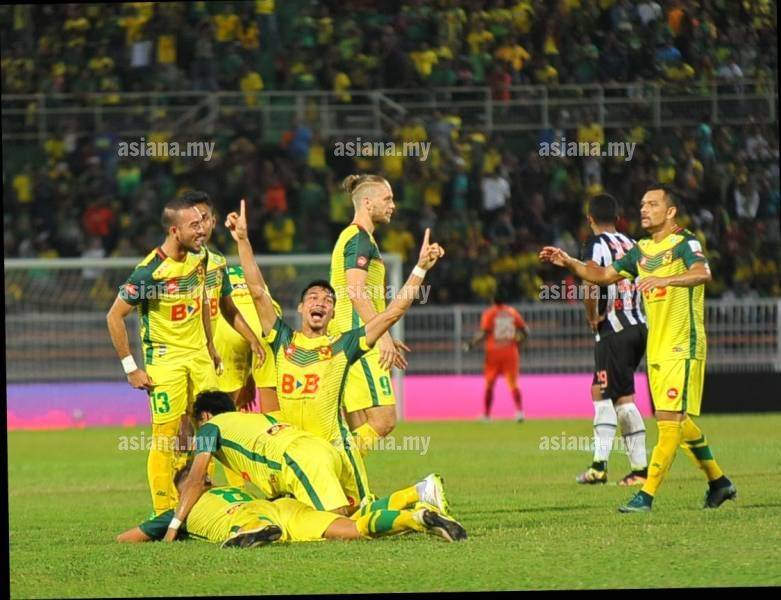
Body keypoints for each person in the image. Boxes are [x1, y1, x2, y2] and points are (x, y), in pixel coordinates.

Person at [227, 198, 448, 505]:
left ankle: (418, 496)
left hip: (335, 455)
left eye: (328, 300)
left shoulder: (342, 346)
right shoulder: (282, 341)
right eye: (313, 297)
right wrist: (242, 240)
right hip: (300, 454)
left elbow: (392, 313)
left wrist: (420, 269)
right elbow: (257, 292)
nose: (320, 302)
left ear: (333, 314)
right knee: (299, 516)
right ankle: (419, 494)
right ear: (301, 307)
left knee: (356, 518)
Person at [539, 185, 737, 512]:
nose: (644, 209)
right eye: (643, 204)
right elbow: (603, 275)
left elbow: (703, 273)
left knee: (669, 422)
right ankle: (719, 483)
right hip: (656, 345)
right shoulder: (640, 249)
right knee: (676, 420)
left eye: (653, 204)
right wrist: (569, 262)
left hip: (682, 344)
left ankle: (646, 494)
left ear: (670, 211)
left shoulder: (685, 243)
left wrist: (666, 280)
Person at [163, 391, 455, 542]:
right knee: (350, 514)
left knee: (339, 525)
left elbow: (196, 479)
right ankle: (418, 492)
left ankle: (416, 512)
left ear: (204, 416)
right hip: (320, 450)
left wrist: (173, 527)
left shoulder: (210, 428)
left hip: (298, 460)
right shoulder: (254, 419)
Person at [106, 192, 220, 515]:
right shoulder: (150, 273)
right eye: (193, 225)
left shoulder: (201, 256)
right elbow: (114, 316)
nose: (202, 230)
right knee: (166, 438)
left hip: (199, 357)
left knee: (210, 429)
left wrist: (211, 346)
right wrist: (131, 368)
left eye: (203, 222)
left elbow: (202, 302)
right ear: (174, 231)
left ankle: (201, 501)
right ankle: (164, 511)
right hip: (166, 362)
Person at [117, 463, 466, 547]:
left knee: (247, 519)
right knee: (354, 528)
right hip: (284, 507)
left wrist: (171, 531)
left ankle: (254, 531)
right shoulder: (233, 489)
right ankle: (416, 516)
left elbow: (127, 538)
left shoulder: (180, 511)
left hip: (248, 515)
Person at [329, 174, 410, 455]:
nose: (393, 205)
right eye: (387, 199)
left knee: (359, 426)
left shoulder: (353, 237)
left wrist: (383, 333)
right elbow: (356, 292)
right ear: (367, 202)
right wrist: (382, 337)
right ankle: (332, 463)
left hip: (348, 339)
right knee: (383, 420)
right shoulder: (359, 239)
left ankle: (345, 479)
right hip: (360, 342)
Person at [576, 193, 649, 487]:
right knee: (600, 390)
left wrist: (592, 315)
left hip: (614, 329)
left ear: (590, 219)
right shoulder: (633, 243)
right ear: (618, 219)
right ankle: (599, 466)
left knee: (622, 399)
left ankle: (640, 470)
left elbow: (590, 280)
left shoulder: (596, 243)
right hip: (639, 325)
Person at [188, 193, 281, 414]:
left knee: (209, 419)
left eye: (204, 218)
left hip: (240, 343)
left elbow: (241, 306)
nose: (200, 226)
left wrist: (242, 240)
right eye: (193, 220)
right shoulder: (168, 267)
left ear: (213, 222)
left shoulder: (219, 265)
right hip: (198, 349)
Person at [465, 289, 529, 422]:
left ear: (493, 300)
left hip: (493, 353)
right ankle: (519, 412)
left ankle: (487, 415)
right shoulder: (512, 312)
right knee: (513, 383)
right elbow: (525, 331)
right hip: (510, 352)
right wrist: (519, 343)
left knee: (489, 384)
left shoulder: (490, 313)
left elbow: (484, 333)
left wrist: (471, 344)